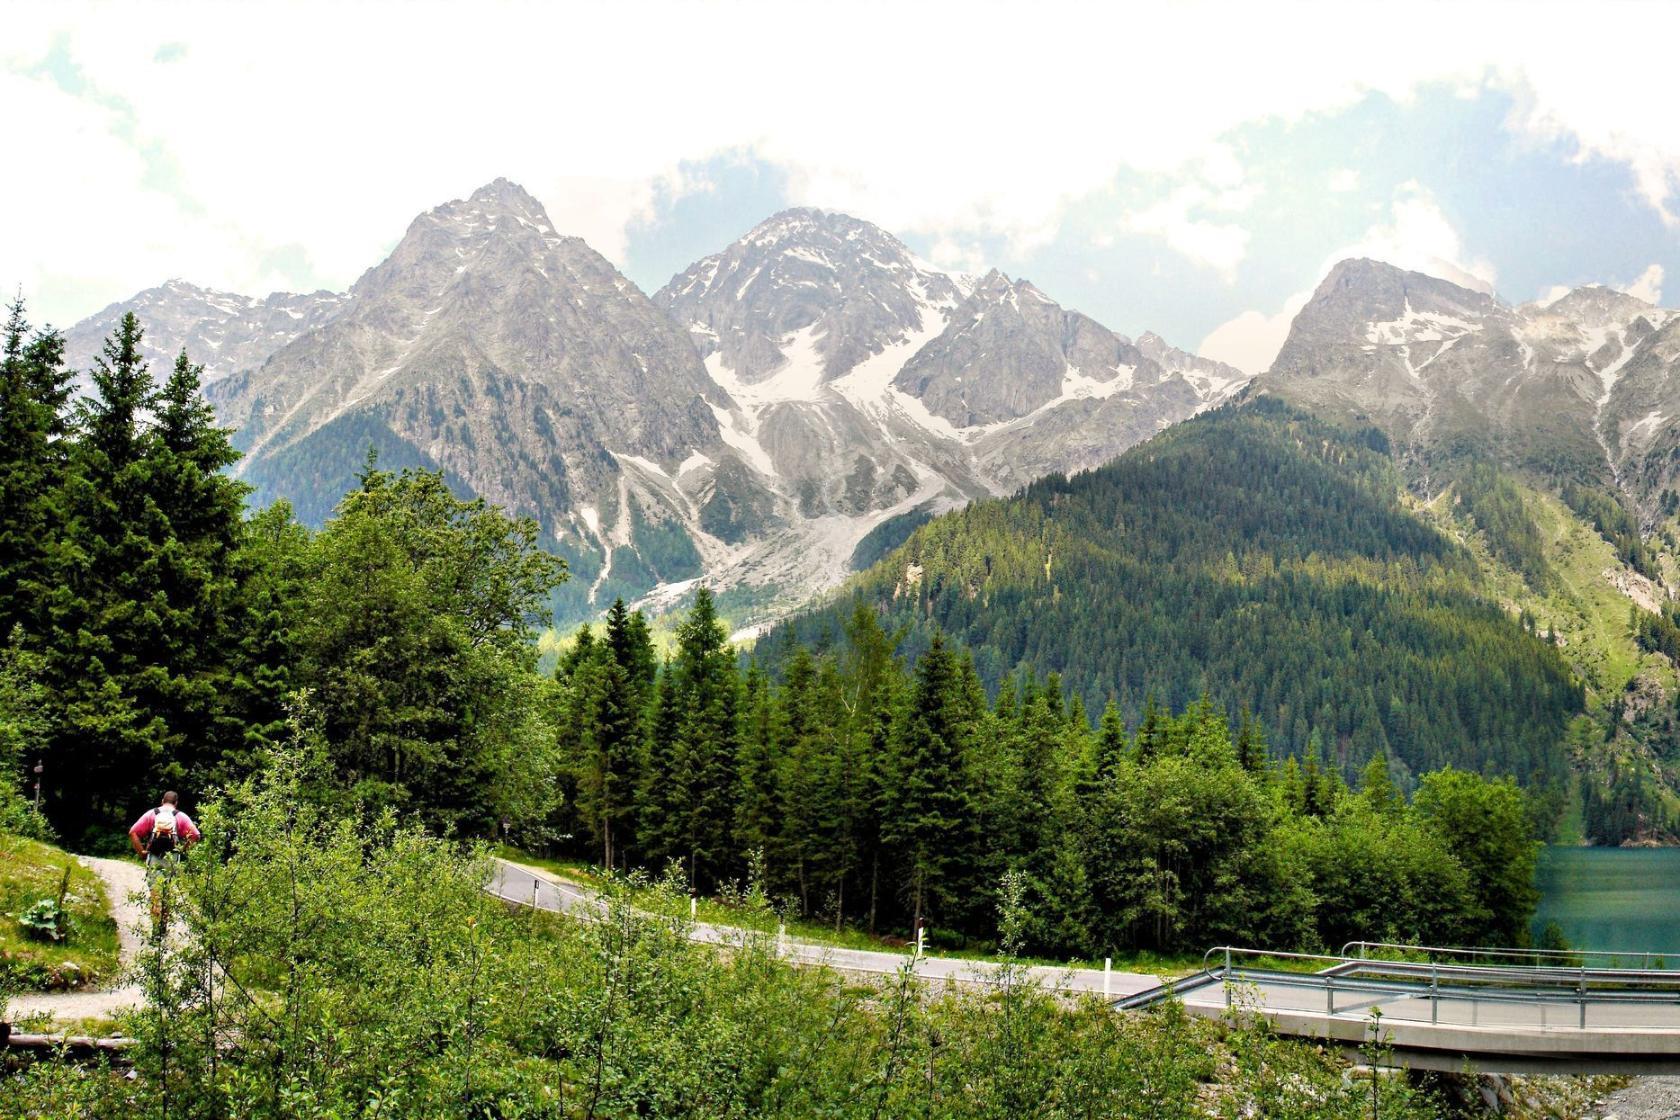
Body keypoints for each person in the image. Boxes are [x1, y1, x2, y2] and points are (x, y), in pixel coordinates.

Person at [129, 791, 202, 863]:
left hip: (153, 855)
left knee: (153, 874)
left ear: (162, 801)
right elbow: (196, 835)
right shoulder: (181, 816)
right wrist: (183, 851)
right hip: (172, 858)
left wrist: (142, 853)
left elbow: (132, 832)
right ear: (176, 803)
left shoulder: (152, 813)